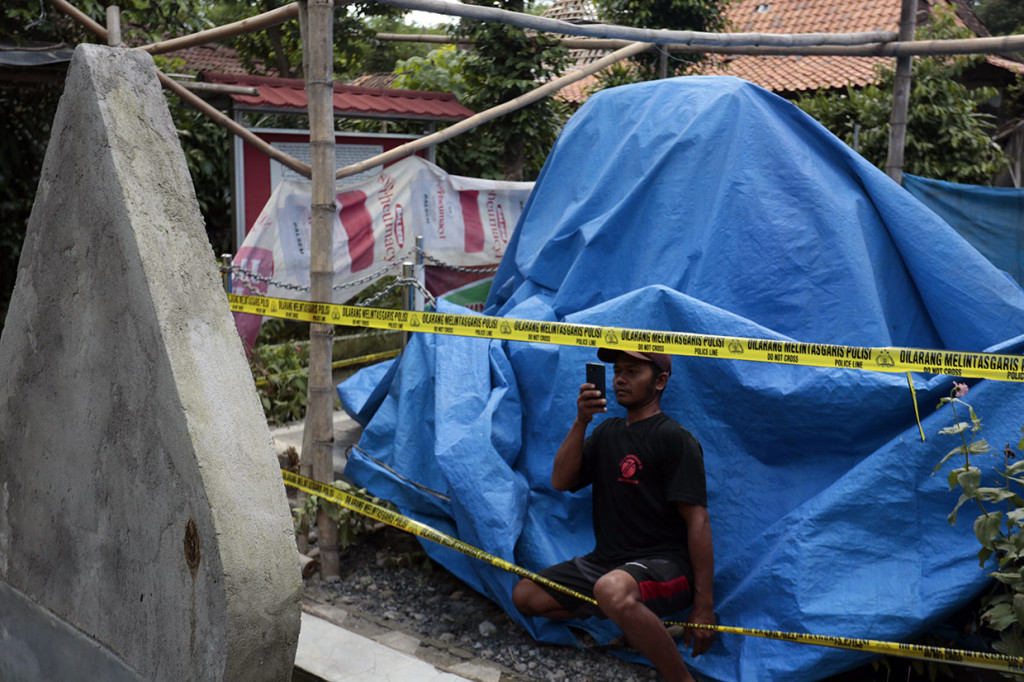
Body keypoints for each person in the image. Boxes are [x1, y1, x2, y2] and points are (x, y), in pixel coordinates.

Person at [512, 348, 716, 682]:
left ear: (660, 381)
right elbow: (560, 481)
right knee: (525, 596)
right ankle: (631, 624)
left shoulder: (675, 439)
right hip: (608, 562)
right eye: (618, 371)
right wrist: (582, 420)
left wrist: (703, 604)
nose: (620, 379)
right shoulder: (607, 433)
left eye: (633, 372)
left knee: (612, 589)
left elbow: (699, 521)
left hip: (666, 566)